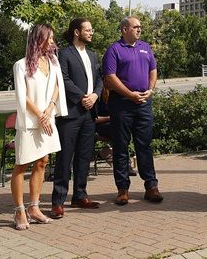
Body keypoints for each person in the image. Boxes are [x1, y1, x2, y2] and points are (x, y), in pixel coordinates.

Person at [10, 23, 66, 230]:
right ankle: (19, 210)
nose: (52, 41)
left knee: (43, 161)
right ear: (38, 39)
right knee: (22, 163)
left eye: (52, 38)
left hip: (47, 119)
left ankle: (34, 208)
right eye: (48, 38)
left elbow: (57, 87)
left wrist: (49, 109)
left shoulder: (54, 62)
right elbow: (22, 96)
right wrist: (40, 115)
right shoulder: (21, 65)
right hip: (30, 122)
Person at [102, 16, 162, 205]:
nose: (139, 30)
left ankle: (151, 186)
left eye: (140, 27)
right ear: (124, 29)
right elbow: (110, 77)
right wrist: (129, 94)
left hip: (144, 104)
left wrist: (150, 90)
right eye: (135, 27)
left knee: (144, 145)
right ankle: (122, 189)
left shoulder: (145, 47)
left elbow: (153, 69)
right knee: (121, 147)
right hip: (121, 105)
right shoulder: (114, 50)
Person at [50, 18, 104, 218]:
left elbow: (99, 79)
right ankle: (58, 202)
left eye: (91, 29)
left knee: (84, 156)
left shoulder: (92, 55)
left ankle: (80, 195)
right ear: (76, 32)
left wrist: (95, 96)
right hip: (71, 113)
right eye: (88, 29)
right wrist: (82, 97)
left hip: (89, 114)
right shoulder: (63, 53)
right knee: (65, 158)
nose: (91, 32)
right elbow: (63, 79)